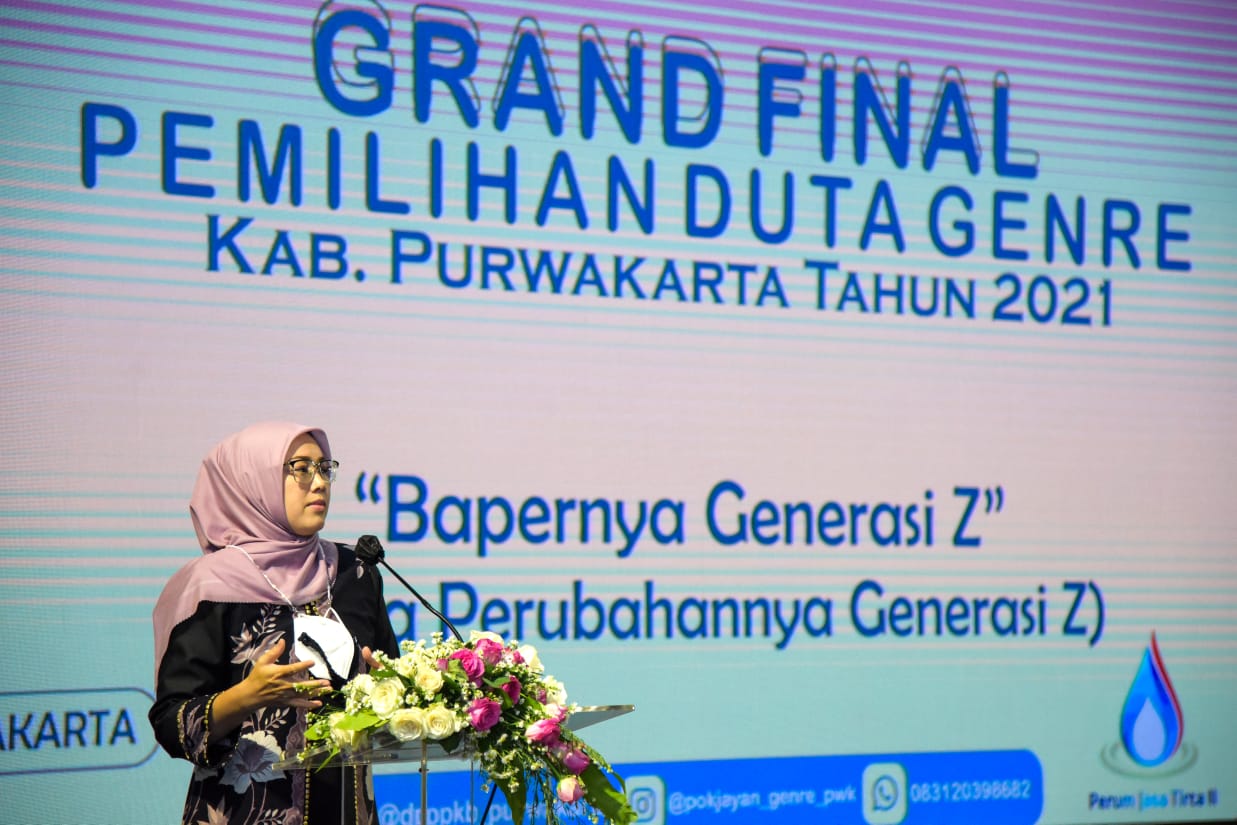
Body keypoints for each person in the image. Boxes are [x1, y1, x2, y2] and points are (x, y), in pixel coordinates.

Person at [150, 421, 399, 825]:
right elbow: (171, 724)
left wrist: (395, 689)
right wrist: (245, 697)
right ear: (253, 482)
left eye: (324, 468)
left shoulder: (354, 572)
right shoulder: (211, 588)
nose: (319, 482)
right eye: (300, 468)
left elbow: (392, 677)